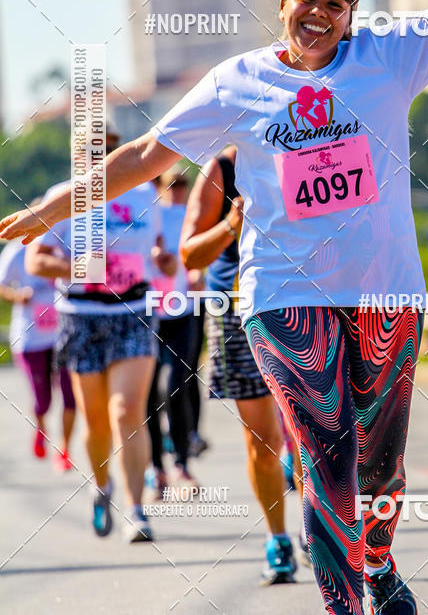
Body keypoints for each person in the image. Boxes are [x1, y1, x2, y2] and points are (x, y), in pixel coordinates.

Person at [0, 0, 428, 614]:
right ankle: (344, 604)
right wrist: (49, 208)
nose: (322, 9)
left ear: (351, 16)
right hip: (282, 297)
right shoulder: (236, 83)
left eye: (338, 1)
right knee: (326, 457)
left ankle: (379, 564)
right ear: (283, 5)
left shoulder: (390, 51)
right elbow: (142, 158)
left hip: (385, 294)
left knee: (381, 465)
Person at [22, 125, 178, 543]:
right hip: (81, 316)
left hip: (134, 310)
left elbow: (158, 246)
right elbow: (35, 261)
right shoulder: (63, 196)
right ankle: (102, 485)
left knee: (128, 410)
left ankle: (136, 509)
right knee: (95, 421)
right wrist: (81, 268)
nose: (96, 161)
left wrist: (162, 259)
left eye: (106, 151)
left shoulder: (144, 195)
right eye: (87, 154)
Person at [180, 145, 299, 584]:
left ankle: (318, 530)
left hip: (300, 304)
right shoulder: (221, 168)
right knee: (263, 442)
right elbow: (190, 255)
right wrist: (231, 226)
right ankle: (279, 540)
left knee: (313, 433)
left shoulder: (305, 146)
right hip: (237, 312)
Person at [146, 167, 204, 494]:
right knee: (148, 396)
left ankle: (181, 464)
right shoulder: (146, 215)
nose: (177, 190)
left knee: (174, 386)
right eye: (171, 184)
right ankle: (156, 468)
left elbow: (198, 254)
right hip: (147, 314)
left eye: (183, 183)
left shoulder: (188, 216)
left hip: (182, 310)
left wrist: (198, 274)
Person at [0, 229, 75, 469]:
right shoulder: (16, 252)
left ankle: (65, 449)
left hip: (62, 335)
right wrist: (17, 295)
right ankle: (42, 427)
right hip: (30, 337)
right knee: (43, 399)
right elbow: (1, 286)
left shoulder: (63, 249)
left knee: (70, 394)